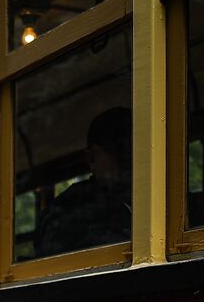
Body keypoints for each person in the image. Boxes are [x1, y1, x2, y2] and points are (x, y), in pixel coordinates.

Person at [33, 106, 133, 259]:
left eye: (133, 149)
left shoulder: (156, 202)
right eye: (116, 149)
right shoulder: (67, 211)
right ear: (91, 158)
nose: (127, 158)